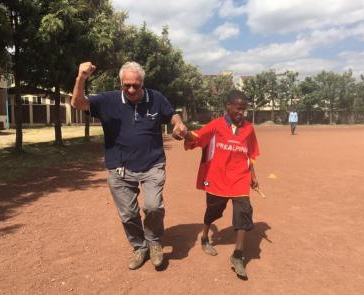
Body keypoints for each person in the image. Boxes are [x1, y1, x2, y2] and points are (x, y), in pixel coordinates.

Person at [71, 61, 187, 270]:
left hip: (153, 164)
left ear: (143, 83)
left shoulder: (155, 97)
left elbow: (172, 114)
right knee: (128, 213)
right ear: (121, 84)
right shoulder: (108, 100)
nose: (132, 90)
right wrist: (81, 78)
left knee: (153, 206)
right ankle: (139, 247)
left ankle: (153, 242)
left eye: (136, 85)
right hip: (119, 168)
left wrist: (178, 123)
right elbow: (77, 104)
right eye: (127, 85)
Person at [184, 90, 260, 279]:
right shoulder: (216, 125)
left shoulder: (249, 129)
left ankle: (238, 255)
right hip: (217, 178)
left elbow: (250, 154)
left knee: (243, 211)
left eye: (244, 109)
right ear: (228, 106)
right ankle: (204, 236)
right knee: (213, 210)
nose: (241, 113)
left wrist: (253, 174)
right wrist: (185, 134)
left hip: (240, 178)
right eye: (238, 109)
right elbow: (198, 137)